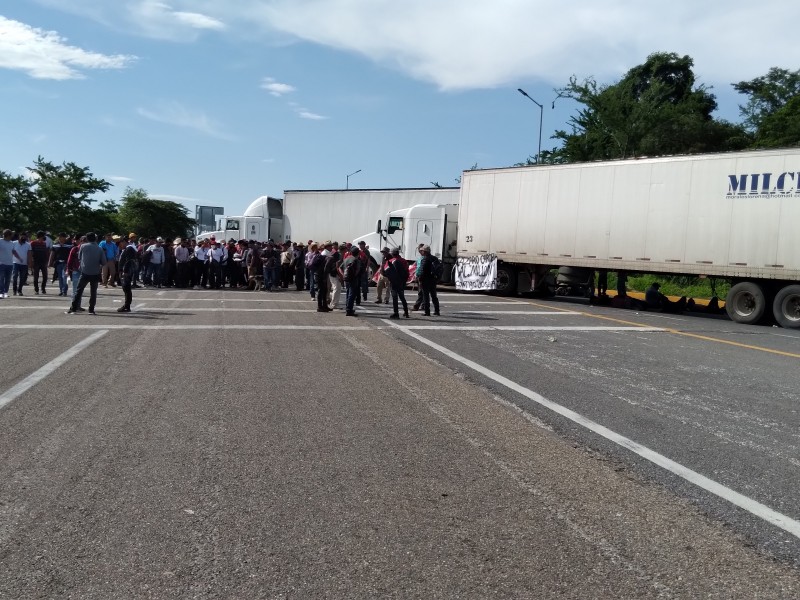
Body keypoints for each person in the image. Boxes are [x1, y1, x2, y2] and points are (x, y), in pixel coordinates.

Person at [68, 232, 106, 315]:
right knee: (93, 292)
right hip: (95, 272)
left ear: (87, 239)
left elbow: (79, 258)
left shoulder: (83, 246)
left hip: (84, 272)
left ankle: (73, 308)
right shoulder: (100, 249)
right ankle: (91, 309)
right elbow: (103, 262)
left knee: (79, 290)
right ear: (95, 239)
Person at [384, 248, 410, 319]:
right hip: (402, 281)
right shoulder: (404, 261)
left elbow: (386, 272)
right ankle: (406, 312)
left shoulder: (391, 261)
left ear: (392, 254)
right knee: (402, 297)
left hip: (394, 282)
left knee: (395, 298)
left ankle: (396, 313)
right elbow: (406, 271)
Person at [117, 237, 138, 312]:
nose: (120, 244)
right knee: (126, 288)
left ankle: (127, 305)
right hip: (125, 271)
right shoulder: (127, 249)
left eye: (121, 242)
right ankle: (127, 305)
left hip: (127, 272)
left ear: (124, 242)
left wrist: (125, 271)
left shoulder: (129, 249)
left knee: (127, 288)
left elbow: (128, 261)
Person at [418, 245, 440, 316]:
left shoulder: (425, 259)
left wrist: (420, 279)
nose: (421, 252)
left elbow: (422, 270)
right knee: (434, 296)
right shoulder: (435, 258)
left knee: (426, 296)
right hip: (433, 279)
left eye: (422, 251)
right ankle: (437, 311)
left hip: (425, 280)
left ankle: (427, 311)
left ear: (425, 251)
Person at [341, 246, 363, 316]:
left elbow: (339, 267)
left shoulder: (346, 259)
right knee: (352, 294)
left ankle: (348, 308)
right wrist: (354, 275)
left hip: (346, 279)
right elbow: (357, 270)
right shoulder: (356, 260)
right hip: (353, 279)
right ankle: (349, 310)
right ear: (358, 253)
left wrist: (343, 275)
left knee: (348, 293)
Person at [49, 232, 73, 297]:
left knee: (65, 277)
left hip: (66, 263)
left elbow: (72, 255)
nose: (60, 238)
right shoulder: (55, 245)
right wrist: (50, 262)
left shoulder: (69, 245)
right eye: (59, 237)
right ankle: (61, 290)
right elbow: (52, 254)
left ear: (65, 238)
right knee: (60, 277)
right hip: (58, 263)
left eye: (62, 237)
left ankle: (64, 291)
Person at [325, 243, 342, 309]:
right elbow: (337, 265)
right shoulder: (337, 255)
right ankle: (333, 304)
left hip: (332, 273)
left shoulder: (334, 254)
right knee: (336, 288)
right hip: (334, 273)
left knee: (336, 288)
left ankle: (334, 303)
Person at [0, 229, 13, 299]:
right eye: (11, 235)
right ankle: (1, 292)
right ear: (7, 235)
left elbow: (13, 251)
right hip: (1, 263)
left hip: (10, 264)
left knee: (8, 279)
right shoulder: (0, 241)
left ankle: (5, 292)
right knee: (1, 279)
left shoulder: (11, 243)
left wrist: (19, 258)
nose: (12, 236)